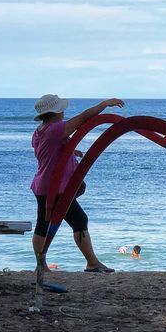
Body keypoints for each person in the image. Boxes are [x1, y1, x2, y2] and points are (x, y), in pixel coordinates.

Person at [30, 94, 124, 273]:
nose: (64, 112)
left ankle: (43, 264)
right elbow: (84, 117)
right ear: (56, 112)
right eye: (62, 109)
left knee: (47, 223)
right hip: (54, 188)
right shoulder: (55, 129)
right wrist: (104, 103)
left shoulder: (40, 131)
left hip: (44, 185)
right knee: (76, 220)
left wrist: (71, 151)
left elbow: (47, 153)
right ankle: (91, 263)